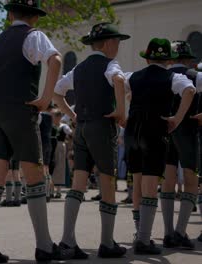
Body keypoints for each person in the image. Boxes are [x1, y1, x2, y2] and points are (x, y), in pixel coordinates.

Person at [0, 1, 70, 262]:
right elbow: (55, 60)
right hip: (21, 110)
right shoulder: (34, 36)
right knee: (33, 175)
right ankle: (44, 246)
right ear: (35, 17)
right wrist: (46, 98)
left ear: (11, 14)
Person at [53, 22, 129, 259]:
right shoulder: (110, 64)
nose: (117, 47)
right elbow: (118, 80)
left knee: (79, 182)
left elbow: (57, 91)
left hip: (82, 127)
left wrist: (72, 114)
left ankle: (67, 240)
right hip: (101, 126)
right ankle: (107, 242)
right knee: (107, 181)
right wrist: (120, 111)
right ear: (108, 43)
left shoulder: (79, 68)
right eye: (116, 42)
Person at [125, 38, 195, 255]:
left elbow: (118, 82)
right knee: (150, 184)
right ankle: (144, 240)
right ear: (168, 60)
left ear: (147, 58)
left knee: (136, 182)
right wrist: (177, 117)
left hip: (132, 131)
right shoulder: (172, 76)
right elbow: (190, 91)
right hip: (155, 131)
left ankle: (139, 233)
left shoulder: (133, 76)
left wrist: (123, 108)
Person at [159, 40, 202, 250]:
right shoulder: (196, 76)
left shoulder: (161, 76)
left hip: (164, 131)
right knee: (191, 179)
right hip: (187, 130)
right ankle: (180, 231)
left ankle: (168, 232)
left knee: (168, 178)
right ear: (188, 59)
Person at [50, 111, 73, 199]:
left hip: (60, 146)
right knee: (51, 167)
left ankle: (58, 191)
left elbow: (71, 134)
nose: (54, 118)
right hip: (51, 146)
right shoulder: (51, 125)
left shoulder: (64, 126)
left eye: (56, 116)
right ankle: (51, 191)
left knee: (60, 167)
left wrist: (70, 145)